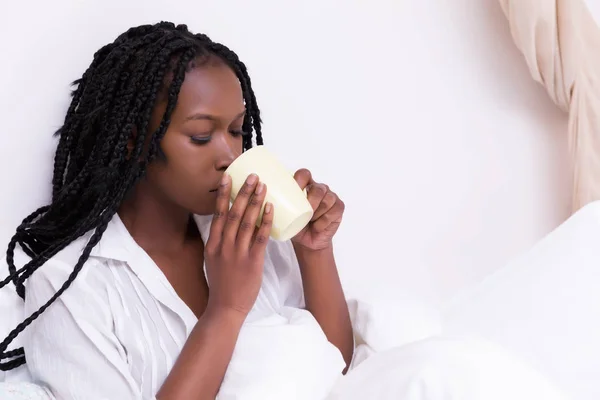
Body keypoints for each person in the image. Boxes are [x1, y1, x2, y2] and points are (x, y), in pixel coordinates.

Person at [0, 22, 353, 399]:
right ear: (134, 142)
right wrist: (225, 309)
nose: (230, 156)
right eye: (201, 136)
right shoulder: (71, 285)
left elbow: (333, 368)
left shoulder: (250, 231)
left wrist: (314, 250)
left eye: (236, 131)